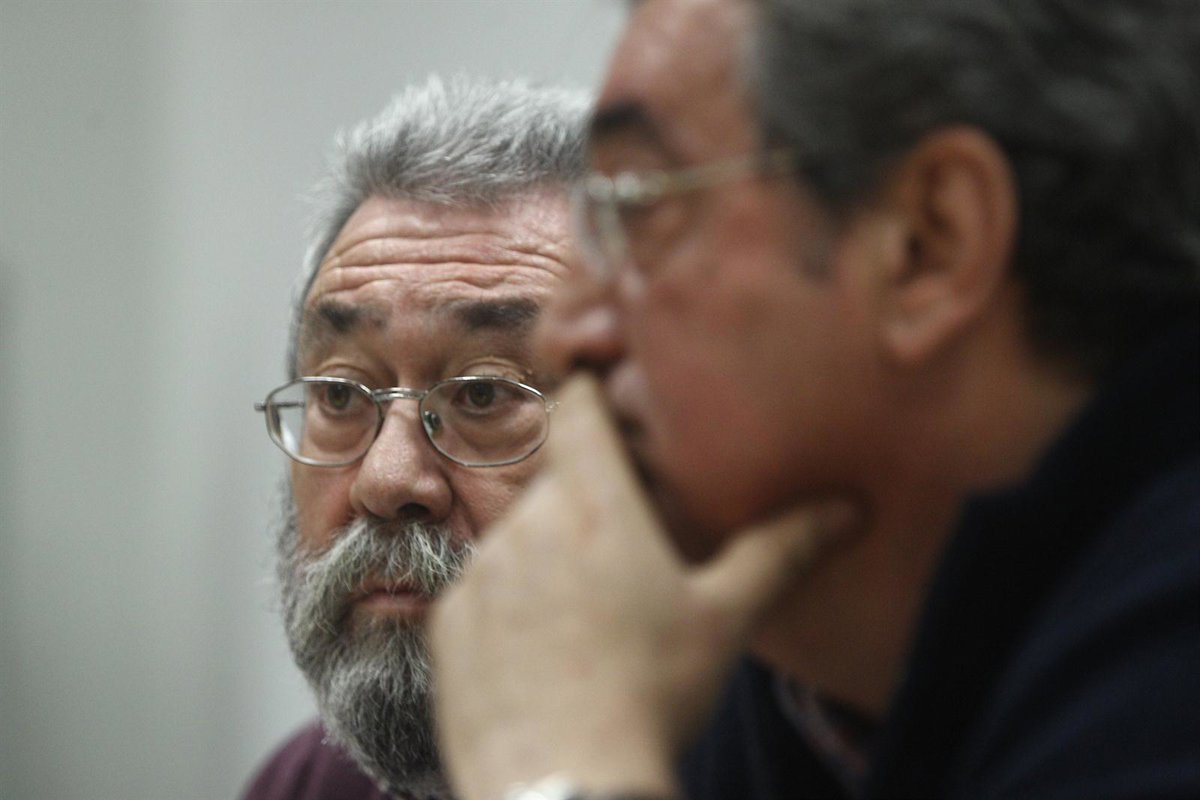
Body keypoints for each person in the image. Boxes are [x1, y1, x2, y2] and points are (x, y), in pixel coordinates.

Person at [429, 1, 1200, 799]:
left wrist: (552, 768)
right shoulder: (766, 686)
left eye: (637, 206)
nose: (565, 337)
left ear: (928, 242)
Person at [240, 75, 589, 800]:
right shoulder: (306, 786)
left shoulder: (782, 763)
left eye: (483, 393)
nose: (387, 479)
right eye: (341, 394)